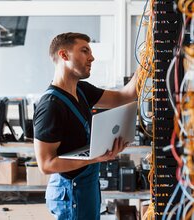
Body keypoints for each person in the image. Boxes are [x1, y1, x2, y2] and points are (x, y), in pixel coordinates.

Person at [33, 32, 138, 220]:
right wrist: (94, 158)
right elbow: (46, 165)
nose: (92, 57)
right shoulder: (50, 105)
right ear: (64, 55)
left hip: (86, 185)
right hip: (70, 191)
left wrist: (147, 61)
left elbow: (125, 96)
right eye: (84, 51)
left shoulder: (82, 90)